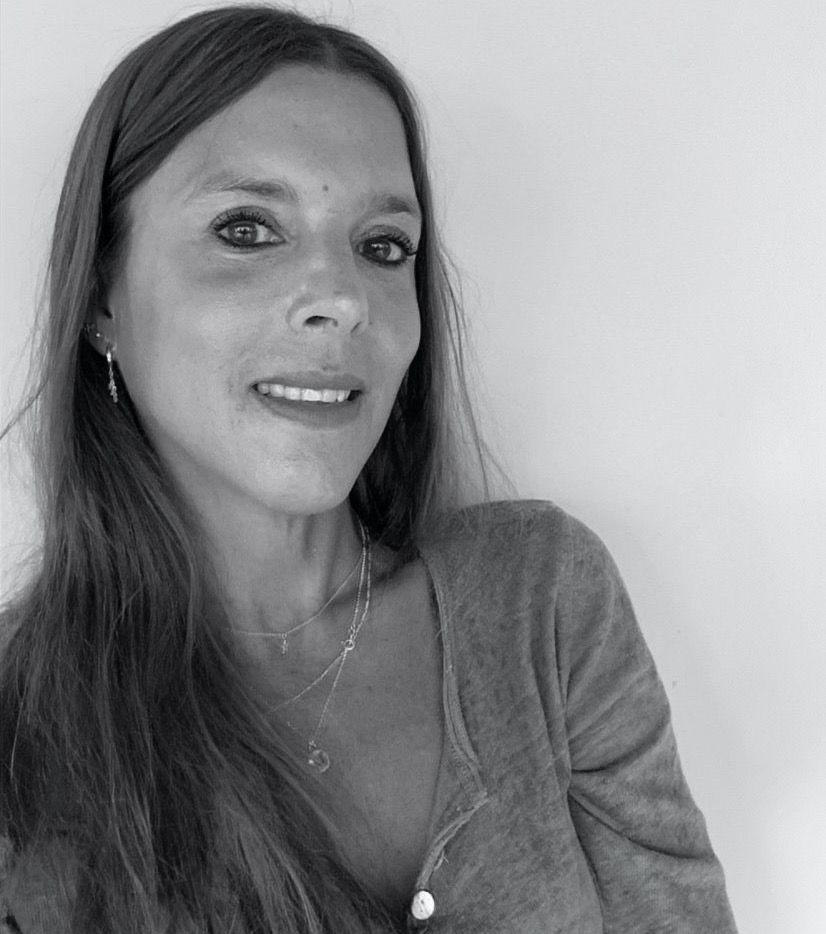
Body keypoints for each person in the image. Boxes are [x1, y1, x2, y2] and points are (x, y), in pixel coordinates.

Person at [0, 5, 738, 932]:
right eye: (247, 229)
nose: (345, 299)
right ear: (101, 295)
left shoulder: (539, 602)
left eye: (383, 246)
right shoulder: (20, 737)